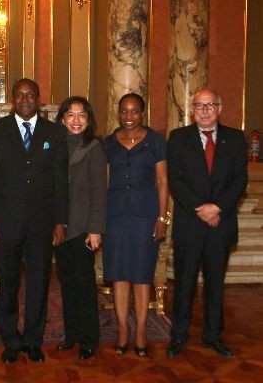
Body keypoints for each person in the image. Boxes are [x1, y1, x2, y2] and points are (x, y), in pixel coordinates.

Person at [0, 78, 69, 364]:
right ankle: (10, 339)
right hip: (6, 221)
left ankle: (33, 339)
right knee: (6, 281)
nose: (24, 99)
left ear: (39, 98)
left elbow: (60, 181)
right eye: (19, 95)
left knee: (39, 282)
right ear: (12, 99)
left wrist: (60, 221)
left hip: (42, 223)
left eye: (30, 94)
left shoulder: (54, 133)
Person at [166, 88, 248, 358]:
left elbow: (239, 181)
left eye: (210, 105)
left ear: (219, 108)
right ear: (192, 109)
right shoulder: (178, 138)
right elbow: (175, 180)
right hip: (190, 223)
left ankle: (213, 336)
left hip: (220, 225)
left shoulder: (236, 139)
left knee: (215, 284)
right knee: (184, 284)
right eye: (199, 105)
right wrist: (200, 209)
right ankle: (179, 335)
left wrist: (218, 208)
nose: (204, 110)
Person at [102, 93, 168, 358]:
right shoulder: (108, 143)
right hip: (115, 217)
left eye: (134, 112)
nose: (129, 117)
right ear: (118, 114)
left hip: (145, 216)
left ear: (143, 113)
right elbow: (104, 184)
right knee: (119, 275)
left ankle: (140, 330)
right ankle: (122, 330)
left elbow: (162, 182)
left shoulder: (156, 142)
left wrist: (162, 218)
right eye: (124, 112)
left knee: (142, 275)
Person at [54, 96, 107, 360]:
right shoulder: (54, 145)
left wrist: (95, 229)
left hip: (84, 227)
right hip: (60, 228)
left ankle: (89, 339)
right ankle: (71, 334)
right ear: (62, 118)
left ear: (89, 120)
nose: (76, 121)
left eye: (81, 115)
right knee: (67, 285)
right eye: (70, 115)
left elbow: (100, 191)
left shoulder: (94, 147)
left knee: (84, 285)